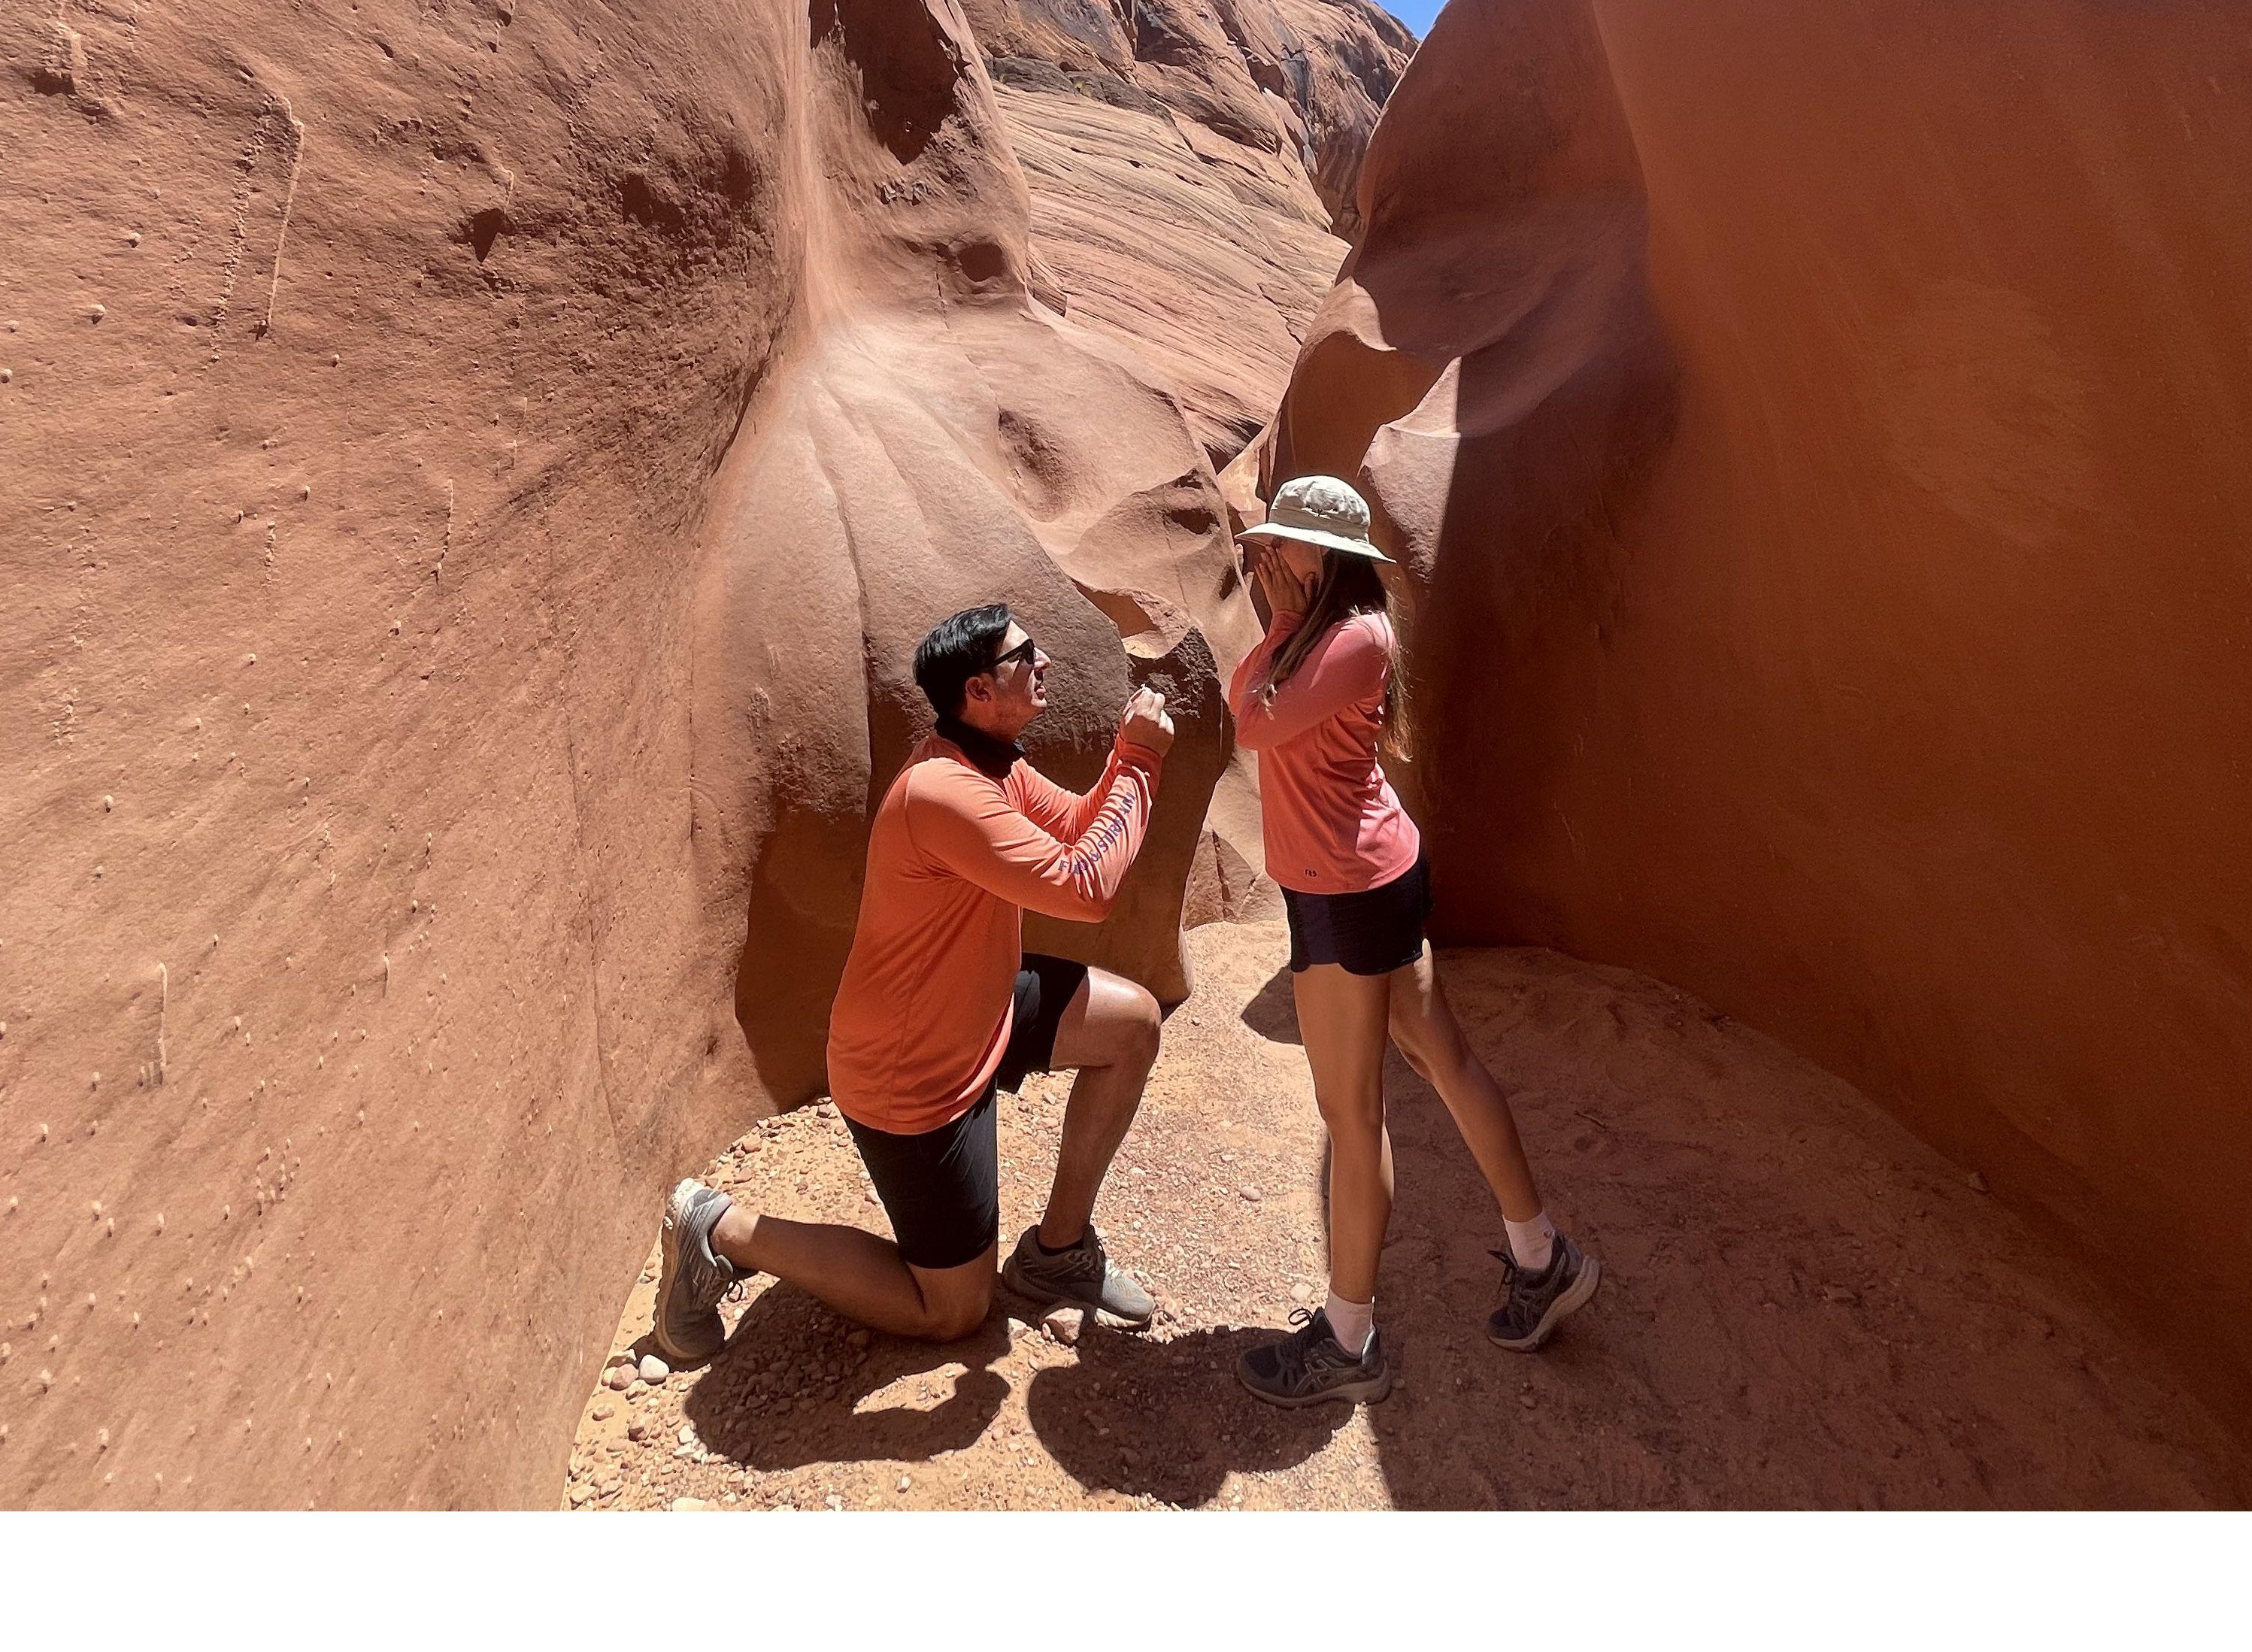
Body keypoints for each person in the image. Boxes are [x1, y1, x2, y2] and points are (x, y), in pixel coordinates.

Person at [651, 604, 1178, 1363]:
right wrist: (1141, 762)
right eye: (1025, 654)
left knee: (1131, 1025)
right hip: (913, 1075)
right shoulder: (941, 790)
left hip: (982, 1007)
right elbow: (1086, 887)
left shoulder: (993, 765)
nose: (1044, 662)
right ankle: (721, 1228)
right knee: (952, 1311)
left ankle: (1057, 1254)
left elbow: (1077, 827)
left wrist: (1127, 761)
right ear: (979, 691)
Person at [1226, 474, 1600, 1405]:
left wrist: (1280, 616)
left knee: (1351, 1114)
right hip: (1366, 878)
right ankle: (1541, 1255)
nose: (1269, 556)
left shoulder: (1349, 637)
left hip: (1345, 895)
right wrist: (1286, 616)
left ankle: (1349, 1341)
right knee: (1440, 1057)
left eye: (1284, 543)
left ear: (1328, 557)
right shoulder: (1329, 630)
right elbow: (1257, 701)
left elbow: (1251, 719)